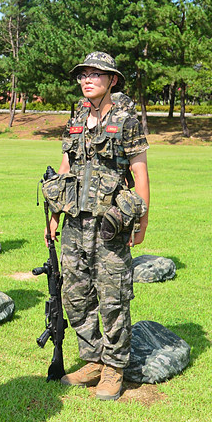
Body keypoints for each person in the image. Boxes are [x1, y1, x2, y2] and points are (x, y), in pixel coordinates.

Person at [47, 52, 150, 401]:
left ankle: (114, 367)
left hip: (110, 222)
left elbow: (139, 170)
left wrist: (143, 218)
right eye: (83, 75)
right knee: (75, 294)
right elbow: (65, 165)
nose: (87, 79)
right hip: (75, 220)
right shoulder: (76, 115)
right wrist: (54, 213)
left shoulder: (126, 119)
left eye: (96, 74)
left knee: (113, 296)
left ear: (112, 80)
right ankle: (92, 358)